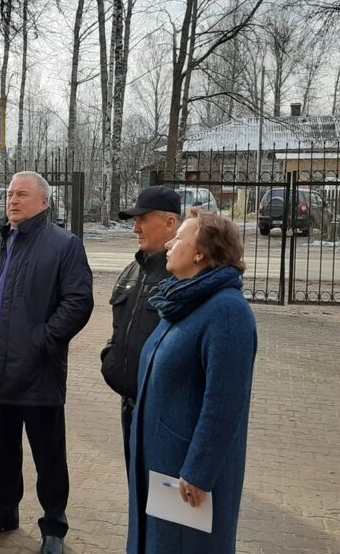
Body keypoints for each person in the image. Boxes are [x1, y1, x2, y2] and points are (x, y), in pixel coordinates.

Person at [0, 171, 94, 554]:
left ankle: (54, 525)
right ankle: (4, 510)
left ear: (43, 202)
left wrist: (41, 340)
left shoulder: (64, 245)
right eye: (9, 194)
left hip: (38, 371)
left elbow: (78, 301)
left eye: (22, 194)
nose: (12, 200)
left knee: (48, 453)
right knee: (2, 449)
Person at [127, 208, 258, 553]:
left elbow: (225, 403)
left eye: (180, 237)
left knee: (184, 546)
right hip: (161, 463)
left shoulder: (227, 312)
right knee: (159, 542)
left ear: (200, 252)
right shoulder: (183, 300)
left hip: (187, 475)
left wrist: (198, 471)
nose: (169, 243)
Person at [100, 187, 181, 474]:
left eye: (143, 219)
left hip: (164, 413)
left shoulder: (184, 277)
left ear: (170, 223)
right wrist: (111, 358)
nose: (136, 228)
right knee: (136, 484)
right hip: (131, 403)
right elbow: (120, 327)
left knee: (163, 497)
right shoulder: (133, 270)